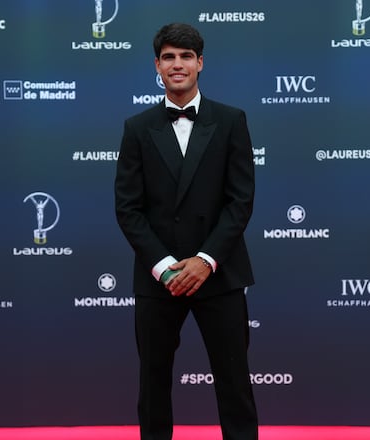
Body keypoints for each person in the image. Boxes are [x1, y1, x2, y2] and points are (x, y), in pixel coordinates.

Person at [114, 22, 258, 440]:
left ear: (200, 63)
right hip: (160, 279)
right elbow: (128, 208)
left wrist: (205, 261)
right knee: (153, 387)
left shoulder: (232, 121)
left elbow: (240, 201)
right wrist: (165, 267)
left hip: (220, 272)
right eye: (169, 57)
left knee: (235, 384)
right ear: (157, 66)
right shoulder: (137, 128)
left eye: (186, 57)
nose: (178, 65)